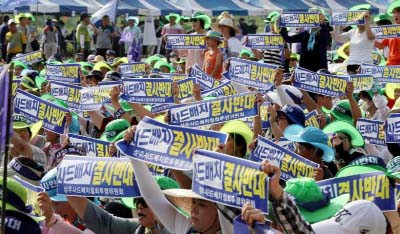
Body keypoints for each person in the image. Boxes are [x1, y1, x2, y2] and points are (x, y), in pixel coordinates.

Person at [331, 5, 375, 74]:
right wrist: (337, 25)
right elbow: (338, 39)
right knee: (351, 84)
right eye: (357, 18)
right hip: (351, 64)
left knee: (364, 85)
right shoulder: (352, 31)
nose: (358, 20)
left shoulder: (372, 30)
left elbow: (370, 36)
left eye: (361, 18)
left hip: (366, 65)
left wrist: (366, 21)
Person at [375, 1, 400, 65]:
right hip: (391, 65)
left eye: (399, 12)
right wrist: (370, 38)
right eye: (394, 13)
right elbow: (381, 46)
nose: (395, 15)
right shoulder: (389, 30)